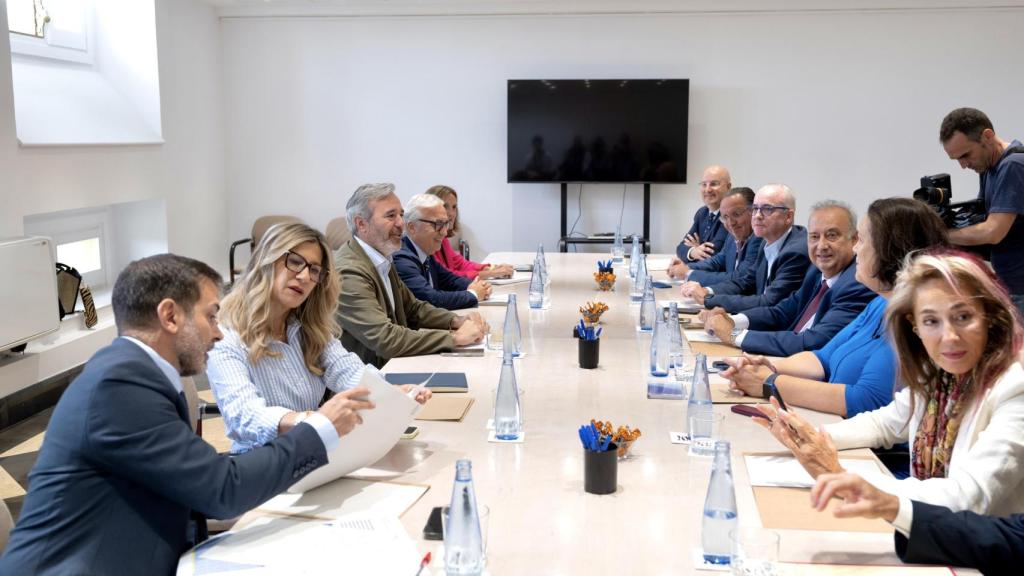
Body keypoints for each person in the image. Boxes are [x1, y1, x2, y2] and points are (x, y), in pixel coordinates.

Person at [0, 254, 375, 575]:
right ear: (170, 316)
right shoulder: (120, 386)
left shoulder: (135, 373)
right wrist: (320, 429)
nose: (219, 333)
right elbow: (220, 491)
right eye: (212, 317)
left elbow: (192, 476)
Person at [756, 249, 1024, 516]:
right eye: (931, 321)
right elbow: (886, 423)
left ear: (990, 317)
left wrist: (843, 478)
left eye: (963, 317)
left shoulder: (1014, 387)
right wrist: (810, 438)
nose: (949, 336)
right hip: (936, 536)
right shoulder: (940, 375)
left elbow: (970, 496)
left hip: (980, 553)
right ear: (915, 327)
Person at [208, 222, 431, 454]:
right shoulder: (225, 336)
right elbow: (244, 417)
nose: (304, 277)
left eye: (314, 270)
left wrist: (389, 392)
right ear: (266, 260)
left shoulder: (305, 327)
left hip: (313, 451)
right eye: (295, 262)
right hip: (260, 462)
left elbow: (346, 369)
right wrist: (316, 420)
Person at [722, 198, 948, 417]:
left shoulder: (914, 320)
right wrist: (766, 365)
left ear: (891, 249)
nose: (856, 249)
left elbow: (866, 399)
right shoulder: (879, 303)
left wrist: (768, 382)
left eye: (862, 241)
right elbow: (822, 358)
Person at [335, 183, 488, 368]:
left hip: (388, 369)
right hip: (363, 384)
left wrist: (457, 320)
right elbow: (385, 339)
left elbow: (413, 308)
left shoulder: (381, 257)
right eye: (391, 216)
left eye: (400, 214)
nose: (401, 223)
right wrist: (454, 338)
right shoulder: (349, 271)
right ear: (361, 224)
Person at [701, 201, 875, 356]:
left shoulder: (856, 284)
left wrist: (733, 334)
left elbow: (812, 342)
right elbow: (782, 312)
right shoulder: (816, 271)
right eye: (814, 237)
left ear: (854, 240)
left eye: (831, 235)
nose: (821, 246)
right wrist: (733, 320)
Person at [811, 473, 1024, 574]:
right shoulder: (939, 389)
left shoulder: (1012, 389)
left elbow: (967, 497)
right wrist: (894, 508)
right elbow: (1013, 537)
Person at [940, 108, 1024, 315]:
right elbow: (983, 218)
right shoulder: (989, 167)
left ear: (987, 136)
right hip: (1010, 286)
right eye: (956, 159)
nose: (963, 165)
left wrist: (940, 234)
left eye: (966, 155)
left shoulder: (1013, 165)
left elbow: (992, 231)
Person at [682, 183, 810, 313]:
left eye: (767, 209)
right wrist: (707, 291)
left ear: (788, 216)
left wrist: (709, 299)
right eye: (755, 208)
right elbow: (746, 282)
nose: (758, 215)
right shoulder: (766, 243)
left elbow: (770, 302)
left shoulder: (795, 252)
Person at [394, 194, 492, 311]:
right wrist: (474, 294)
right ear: (412, 227)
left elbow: (449, 279)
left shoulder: (424, 252)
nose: (445, 232)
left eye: (446, 224)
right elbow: (431, 300)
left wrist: (474, 285)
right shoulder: (401, 258)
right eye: (438, 224)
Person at [667, 187, 763, 284]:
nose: (730, 223)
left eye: (736, 214)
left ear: (753, 212)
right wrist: (686, 267)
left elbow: (739, 278)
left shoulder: (758, 238)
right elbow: (716, 261)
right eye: (725, 217)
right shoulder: (732, 236)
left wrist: (689, 274)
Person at [426, 185, 513, 280]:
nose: (451, 213)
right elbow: (448, 277)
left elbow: (460, 264)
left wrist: (488, 268)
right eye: (445, 207)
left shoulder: (443, 238)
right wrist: (491, 273)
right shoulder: (428, 242)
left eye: (454, 207)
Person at [675, 165, 732, 263]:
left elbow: (712, 254)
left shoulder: (730, 215)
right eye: (704, 184)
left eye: (714, 184)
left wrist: (698, 249)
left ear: (728, 187)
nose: (708, 190)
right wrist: (694, 251)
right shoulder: (702, 213)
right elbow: (680, 247)